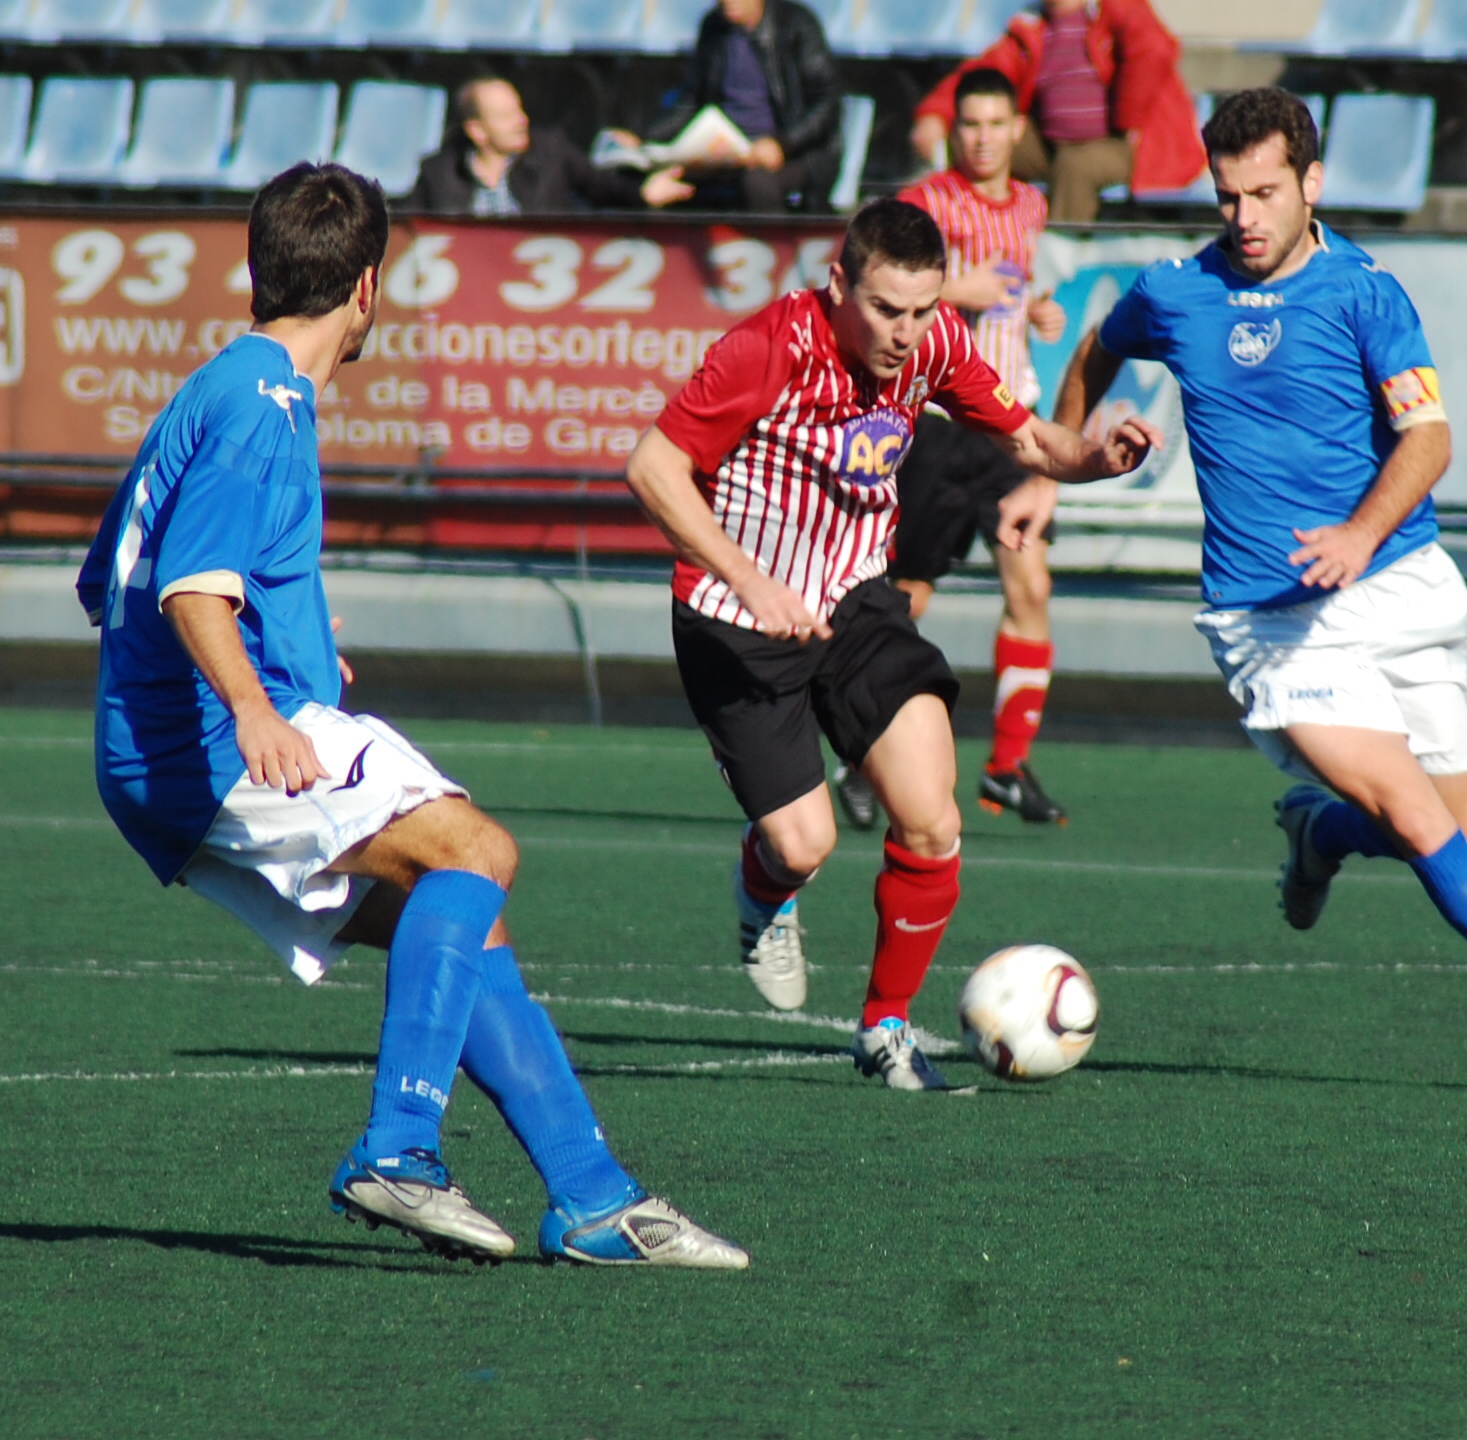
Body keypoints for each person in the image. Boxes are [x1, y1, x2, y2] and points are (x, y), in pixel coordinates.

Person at [76, 163, 748, 1269]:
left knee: (463, 916)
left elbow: (113, 581)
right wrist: (252, 699)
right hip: (213, 738)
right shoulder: (263, 407)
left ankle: (593, 1197)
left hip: (165, 745)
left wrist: (279, 648)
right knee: (478, 848)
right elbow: (189, 587)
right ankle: (398, 1152)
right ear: (369, 287)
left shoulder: (214, 388)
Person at [1022, 88, 1467, 1093]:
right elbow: (1095, 348)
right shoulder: (1175, 291)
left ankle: (1318, 831)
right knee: (1425, 830)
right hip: (1277, 628)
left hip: (1404, 588)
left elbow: (1430, 437)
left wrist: (1360, 533)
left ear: (1312, 184)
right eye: (1226, 196)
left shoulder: (1367, 293)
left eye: (1264, 193)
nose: (1243, 217)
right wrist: (1064, 459)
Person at [622, 199, 1155, 1088]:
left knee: (932, 816)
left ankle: (884, 1028)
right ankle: (764, 894)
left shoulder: (937, 341)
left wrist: (1094, 458)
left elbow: (1026, 435)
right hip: (735, 619)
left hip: (858, 606)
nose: (905, 333)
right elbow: (652, 468)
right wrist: (753, 578)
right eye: (884, 310)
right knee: (803, 846)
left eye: (920, 310)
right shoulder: (769, 347)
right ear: (839, 285)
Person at [871, 66, 1071, 828]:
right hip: (941, 426)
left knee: (1032, 589)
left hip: (1009, 424)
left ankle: (1007, 767)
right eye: (972, 125)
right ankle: (869, 750)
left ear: (1017, 129)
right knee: (906, 596)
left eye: (997, 125)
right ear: (956, 131)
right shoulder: (928, 201)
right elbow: (877, 276)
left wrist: (1040, 310)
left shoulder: (1030, 202)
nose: (984, 138)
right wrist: (954, 289)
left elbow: (1014, 292)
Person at [910, 0, 1204, 224]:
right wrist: (935, 114)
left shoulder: (1114, 9)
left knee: (1076, 166)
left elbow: (1153, 49)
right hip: (1051, 145)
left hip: (1128, 147)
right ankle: (968, 231)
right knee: (980, 141)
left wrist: (1129, 121)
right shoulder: (1033, 27)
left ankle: (1057, 265)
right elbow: (986, 73)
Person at [645, 0, 843, 214]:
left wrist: (782, 144)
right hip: (726, 151)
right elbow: (690, 102)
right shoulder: (713, 28)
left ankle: (771, 245)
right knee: (653, 180)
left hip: (795, 152)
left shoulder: (796, 24)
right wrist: (643, 139)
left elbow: (827, 103)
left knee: (757, 182)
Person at [416, 78, 694, 215]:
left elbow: (600, 186)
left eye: (519, 111)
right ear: (476, 131)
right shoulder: (438, 173)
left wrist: (642, 192)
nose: (521, 121)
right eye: (505, 117)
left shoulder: (552, 152)